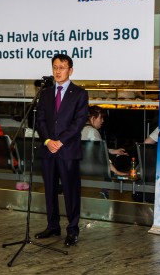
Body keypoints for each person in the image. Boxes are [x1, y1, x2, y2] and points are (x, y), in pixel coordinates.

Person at [34, 54, 89, 247]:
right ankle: (52, 225)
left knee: (70, 191)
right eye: (55, 67)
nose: (58, 71)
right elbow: (40, 120)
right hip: (48, 150)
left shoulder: (80, 93)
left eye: (62, 68)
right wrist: (48, 140)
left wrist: (60, 141)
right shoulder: (46, 93)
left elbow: (79, 122)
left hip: (68, 150)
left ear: (70, 70)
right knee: (49, 190)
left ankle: (72, 229)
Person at [81, 105, 129, 176]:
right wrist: (117, 172)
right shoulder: (92, 132)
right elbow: (101, 156)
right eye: (101, 118)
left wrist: (113, 151)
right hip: (92, 172)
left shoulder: (80, 128)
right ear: (93, 118)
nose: (103, 121)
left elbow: (94, 148)